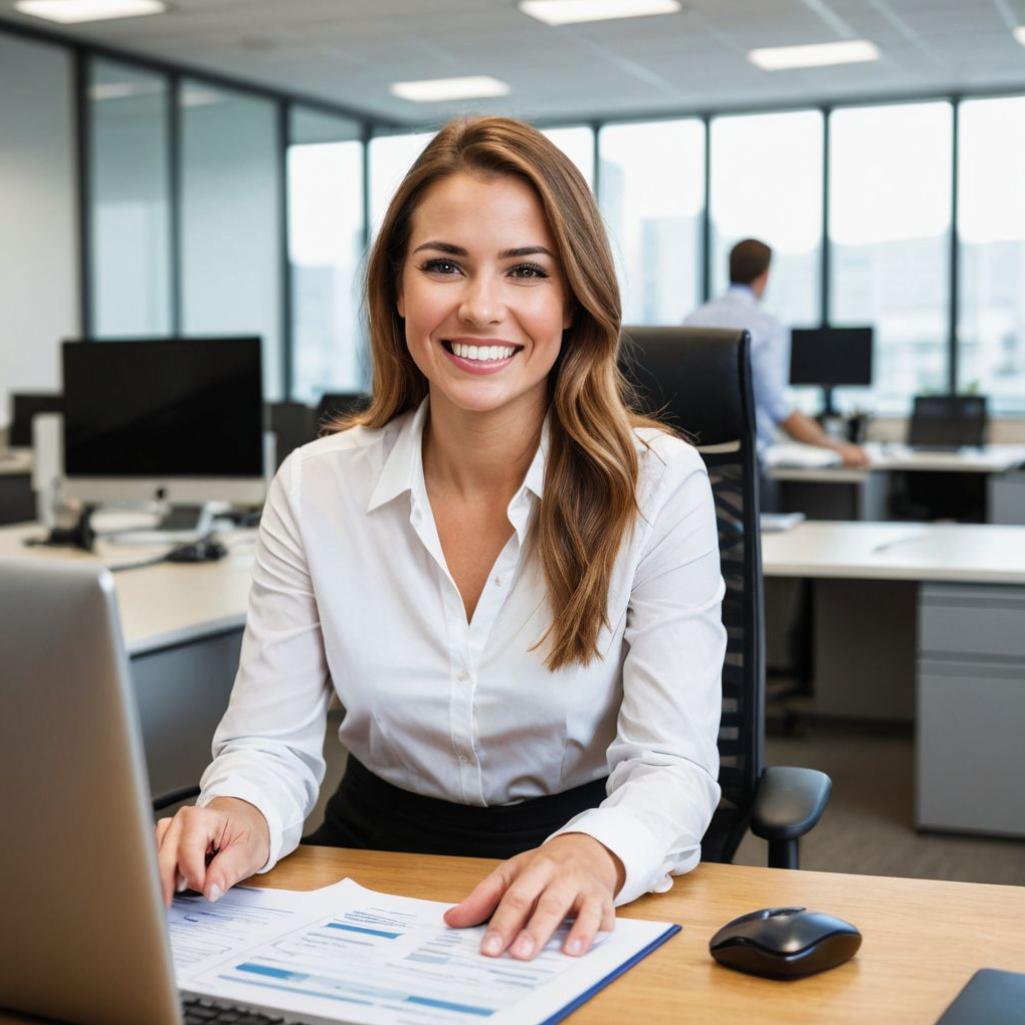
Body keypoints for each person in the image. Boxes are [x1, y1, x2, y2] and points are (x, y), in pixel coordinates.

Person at [155, 116, 726, 964]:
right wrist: (234, 811)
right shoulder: (317, 485)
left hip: (578, 862)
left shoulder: (656, 483)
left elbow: (673, 767)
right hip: (369, 863)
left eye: (525, 270)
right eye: (443, 265)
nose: (480, 306)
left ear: (572, 298)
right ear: (396, 287)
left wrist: (596, 852)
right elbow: (270, 744)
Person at [684, 239, 869, 470]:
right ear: (765, 276)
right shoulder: (767, 326)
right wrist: (835, 447)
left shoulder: (692, 320)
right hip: (749, 463)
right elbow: (777, 406)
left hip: (695, 460)